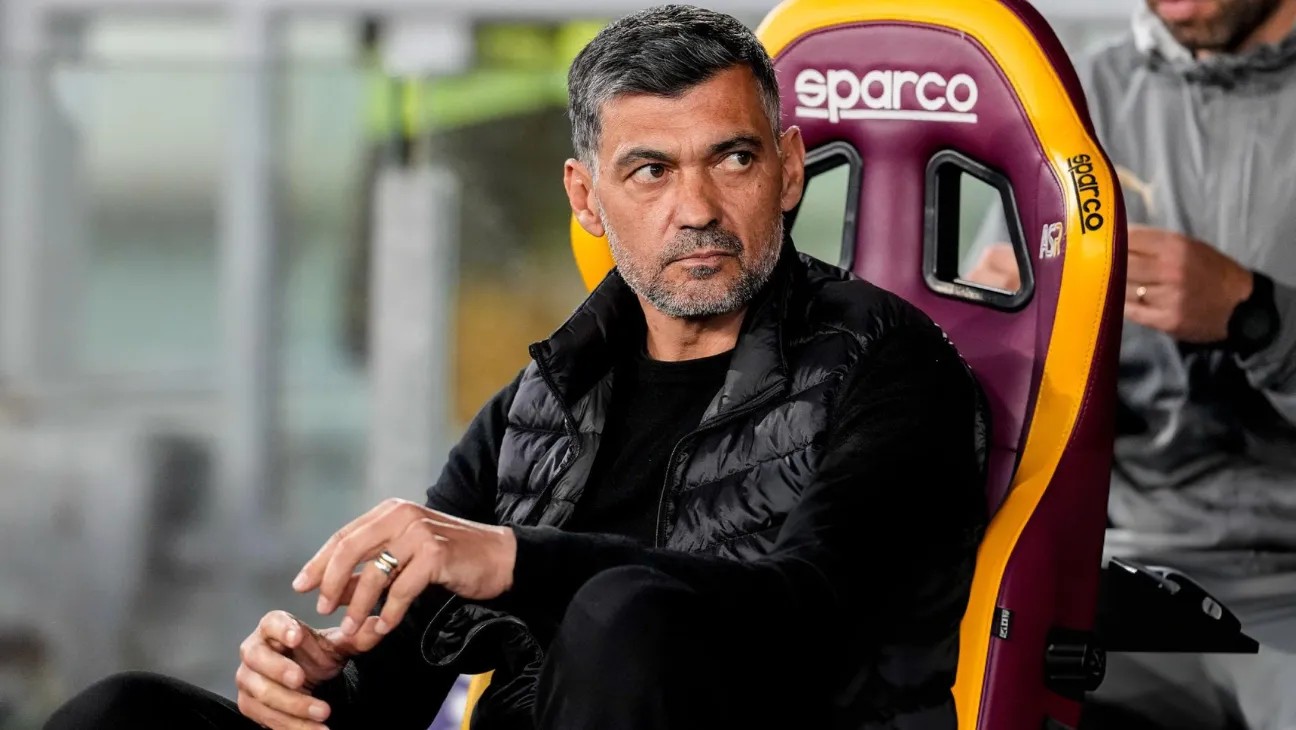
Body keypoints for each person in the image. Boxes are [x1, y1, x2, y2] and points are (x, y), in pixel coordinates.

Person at [45, 6, 987, 730]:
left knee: (624, 616)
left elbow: (815, 612)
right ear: (587, 197)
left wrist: (516, 559)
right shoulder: (546, 400)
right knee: (122, 713)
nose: (697, 208)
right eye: (651, 171)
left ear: (788, 169)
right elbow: (397, 688)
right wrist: (317, 681)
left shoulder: (883, 359)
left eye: (732, 159)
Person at [966, 0, 1296, 727]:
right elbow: (993, 385)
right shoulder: (1071, 98)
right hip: (1117, 565)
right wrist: (1003, 325)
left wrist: (1257, 315)